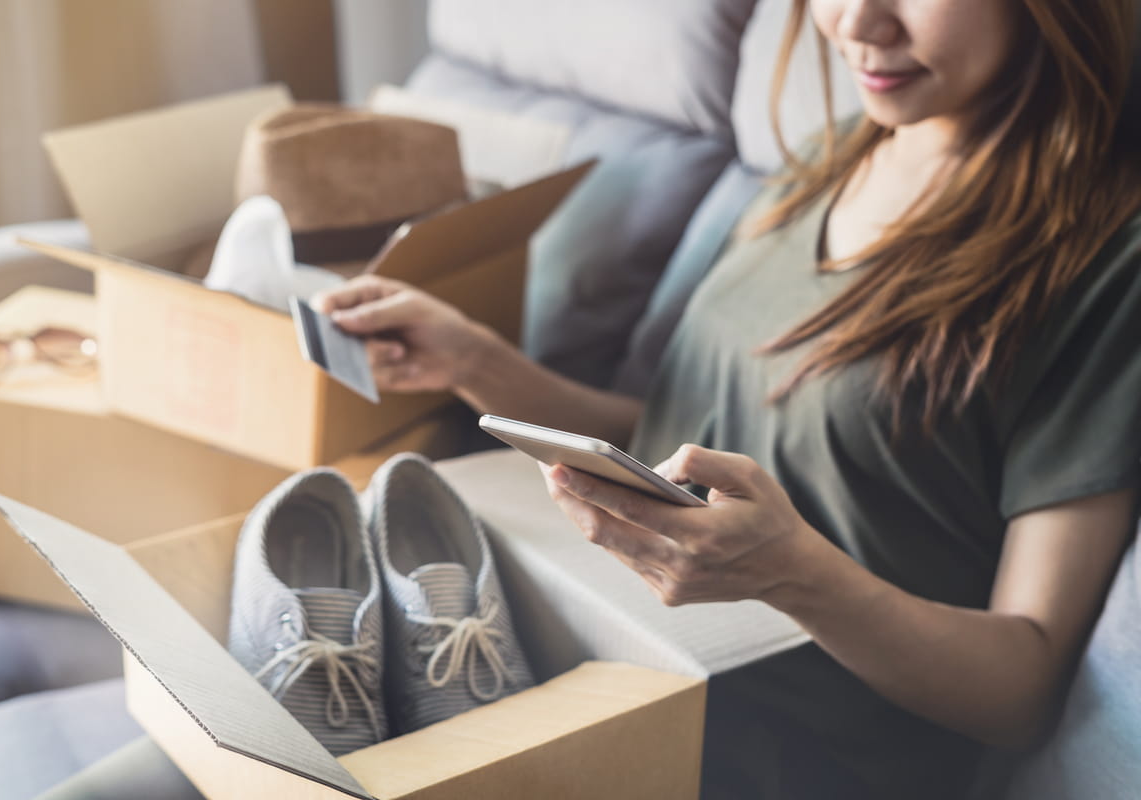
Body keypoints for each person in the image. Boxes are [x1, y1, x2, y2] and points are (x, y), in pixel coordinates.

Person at [312, 0, 1141, 797]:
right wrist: (472, 357)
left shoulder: (1106, 260)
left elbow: (1023, 687)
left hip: (781, 752)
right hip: (604, 650)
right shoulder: (833, 155)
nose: (856, 23)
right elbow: (681, 448)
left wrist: (795, 576)